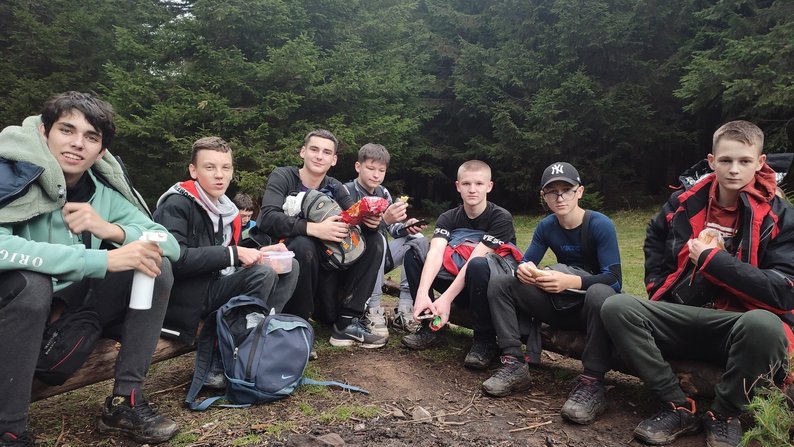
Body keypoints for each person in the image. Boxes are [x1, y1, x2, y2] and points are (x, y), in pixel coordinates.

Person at [0, 91, 181, 446]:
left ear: (100, 152)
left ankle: (126, 401)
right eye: (67, 130)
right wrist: (100, 260)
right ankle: (9, 429)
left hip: (67, 311)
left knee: (154, 263)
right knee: (32, 284)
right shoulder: (10, 176)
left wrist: (111, 230)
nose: (77, 144)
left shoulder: (103, 194)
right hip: (15, 309)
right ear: (44, 132)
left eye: (91, 137)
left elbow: (169, 243)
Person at [600, 120, 794, 447]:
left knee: (765, 325)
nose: (734, 169)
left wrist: (712, 261)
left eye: (745, 161)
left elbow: (784, 291)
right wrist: (657, 287)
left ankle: (724, 414)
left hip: (739, 327)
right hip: (683, 315)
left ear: (760, 162)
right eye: (726, 160)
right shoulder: (684, 202)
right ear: (711, 161)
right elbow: (655, 236)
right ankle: (676, 406)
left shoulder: (781, 216)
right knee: (617, 306)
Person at [482, 162, 622, 426]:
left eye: (566, 190)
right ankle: (513, 363)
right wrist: (525, 270)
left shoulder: (600, 224)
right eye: (552, 192)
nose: (560, 198)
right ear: (543, 196)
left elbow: (614, 279)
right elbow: (526, 262)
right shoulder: (546, 226)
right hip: (557, 304)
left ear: (579, 191)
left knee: (600, 292)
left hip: (591, 310)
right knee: (502, 282)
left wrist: (571, 281)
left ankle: (592, 382)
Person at [153, 137, 298, 385]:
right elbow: (176, 259)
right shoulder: (176, 204)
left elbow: (227, 259)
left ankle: (261, 340)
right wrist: (234, 254)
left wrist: (260, 253)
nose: (219, 175)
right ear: (193, 171)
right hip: (187, 296)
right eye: (210, 167)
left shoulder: (226, 209)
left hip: (217, 283)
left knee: (288, 266)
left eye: (226, 167)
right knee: (262, 274)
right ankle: (221, 358)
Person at [255, 129, 386, 348]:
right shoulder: (283, 176)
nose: (319, 156)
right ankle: (295, 325)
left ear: (333, 160)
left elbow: (352, 217)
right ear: (303, 152)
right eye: (314, 149)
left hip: (327, 266)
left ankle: (347, 322)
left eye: (326, 152)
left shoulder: (335, 186)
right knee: (303, 244)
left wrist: (372, 221)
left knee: (375, 240)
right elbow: (267, 218)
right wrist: (314, 228)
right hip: (289, 262)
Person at [402, 160, 517, 370]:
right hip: (456, 281)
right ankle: (430, 327)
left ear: (489, 186)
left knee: (479, 265)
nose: (472, 189)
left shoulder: (501, 218)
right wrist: (422, 294)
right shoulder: (448, 217)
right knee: (414, 255)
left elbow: (476, 259)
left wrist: (446, 299)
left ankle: (484, 341)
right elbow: (435, 252)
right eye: (466, 184)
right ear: (458, 186)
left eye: (479, 184)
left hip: (487, 289)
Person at [343, 143, 429, 338]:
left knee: (417, 239)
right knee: (377, 241)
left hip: (381, 258)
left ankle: (405, 309)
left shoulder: (383, 193)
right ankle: (372, 310)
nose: (376, 175)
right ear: (358, 167)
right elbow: (348, 232)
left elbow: (393, 229)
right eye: (371, 168)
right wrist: (384, 220)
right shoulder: (346, 192)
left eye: (381, 171)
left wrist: (406, 227)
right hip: (354, 260)